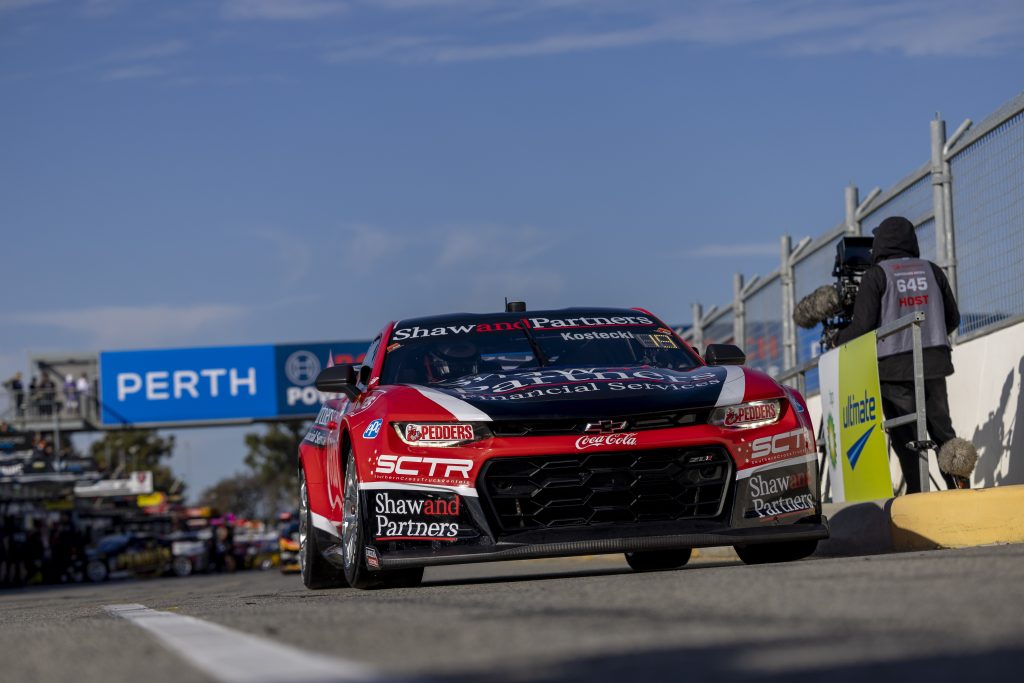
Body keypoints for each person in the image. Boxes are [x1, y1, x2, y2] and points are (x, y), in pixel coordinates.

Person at [837, 216, 962, 493]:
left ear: (881, 243)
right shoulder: (933, 270)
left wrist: (837, 339)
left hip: (893, 370)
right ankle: (960, 492)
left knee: (907, 437)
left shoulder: (877, 275)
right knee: (943, 433)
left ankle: (918, 500)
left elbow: (862, 328)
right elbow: (952, 318)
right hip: (934, 363)